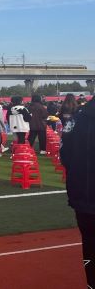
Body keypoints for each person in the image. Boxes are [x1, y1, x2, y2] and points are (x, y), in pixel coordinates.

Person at [60, 97, 95, 288]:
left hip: (82, 194)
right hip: (83, 194)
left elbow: (65, 156)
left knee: (89, 245)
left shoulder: (75, 119)